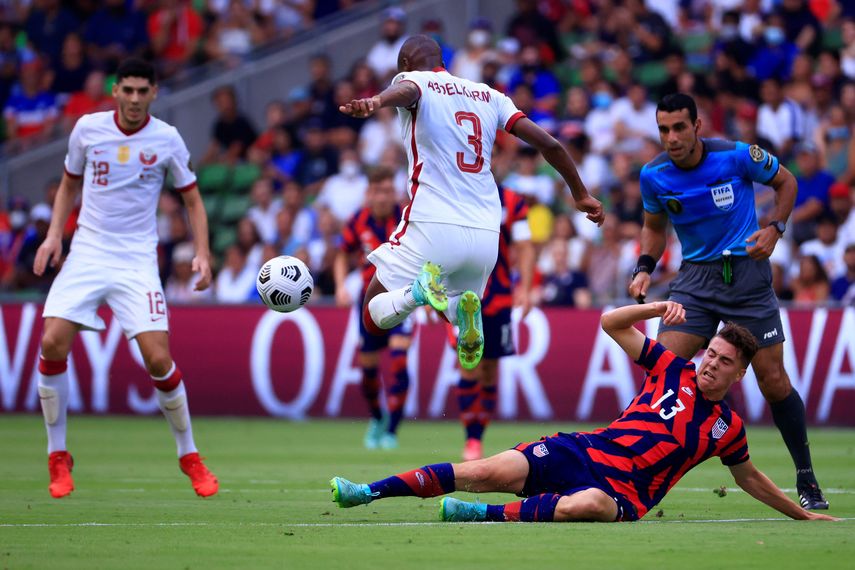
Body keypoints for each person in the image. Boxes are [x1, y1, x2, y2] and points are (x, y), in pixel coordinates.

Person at [329, 302, 839, 524]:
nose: (710, 365)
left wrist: (801, 513)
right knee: (482, 470)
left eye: (723, 362)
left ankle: (480, 516)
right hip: (584, 449)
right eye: (710, 354)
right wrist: (657, 310)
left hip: (623, 493)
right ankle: (367, 492)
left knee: (586, 507)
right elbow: (610, 323)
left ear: (739, 375)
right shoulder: (670, 366)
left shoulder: (725, 428)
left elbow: (749, 477)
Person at [339, 35, 603, 371]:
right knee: (451, 295)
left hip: (432, 224)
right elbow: (549, 144)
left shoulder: (415, 81)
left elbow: (408, 92)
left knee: (373, 314)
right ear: (443, 62)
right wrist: (580, 193)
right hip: (486, 237)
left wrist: (377, 101)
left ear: (404, 66)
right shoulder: (490, 96)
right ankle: (457, 311)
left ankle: (417, 294)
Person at [628, 92, 828, 509]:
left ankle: (806, 479)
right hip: (695, 282)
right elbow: (653, 226)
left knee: (773, 382)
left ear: (698, 126)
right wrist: (644, 266)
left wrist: (775, 227)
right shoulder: (653, 175)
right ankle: (628, 468)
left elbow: (786, 181)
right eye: (664, 129)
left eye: (680, 127)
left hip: (748, 279)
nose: (672, 137)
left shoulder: (737, 156)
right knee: (660, 373)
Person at [32, 58, 218, 499]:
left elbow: (192, 200)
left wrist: (204, 254)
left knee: (158, 360)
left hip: (136, 260)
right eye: (128, 90)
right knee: (51, 342)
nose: (134, 99)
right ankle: (58, 456)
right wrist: (55, 235)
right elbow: (67, 184)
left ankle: (189, 455)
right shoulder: (87, 130)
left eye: (142, 91)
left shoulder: (166, 139)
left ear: (154, 93)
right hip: (89, 252)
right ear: (115, 90)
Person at [334, 167, 413, 450]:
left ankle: (392, 429)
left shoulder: (406, 216)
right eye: (377, 191)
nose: (383, 197)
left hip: (402, 297)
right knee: (368, 371)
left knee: (399, 360)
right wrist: (341, 285)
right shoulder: (358, 220)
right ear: (369, 193)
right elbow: (342, 255)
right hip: (369, 301)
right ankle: (378, 417)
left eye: (388, 190)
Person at [456, 186, 535, 461]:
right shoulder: (456, 192)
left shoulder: (512, 201)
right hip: (462, 295)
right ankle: (472, 438)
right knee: (468, 366)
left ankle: (479, 433)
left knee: (489, 370)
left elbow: (524, 246)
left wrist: (525, 287)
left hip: (499, 297)